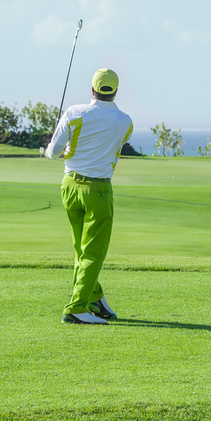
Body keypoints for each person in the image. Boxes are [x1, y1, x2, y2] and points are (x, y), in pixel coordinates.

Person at [45, 68, 133, 325]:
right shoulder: (126, 121)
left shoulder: (73, 112)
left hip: (70, 186)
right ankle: (76, 307)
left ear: (92, 90)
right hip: (98, 190)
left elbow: (52, 153)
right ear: (115, 91)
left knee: (80, 249)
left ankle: (94, 296)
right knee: (93, 252)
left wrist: (63, 148)